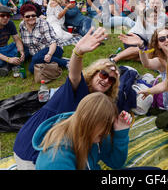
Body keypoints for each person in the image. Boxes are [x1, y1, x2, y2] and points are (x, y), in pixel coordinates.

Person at [13, 27, 120, 169]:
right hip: (32, 150)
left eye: (112, 80)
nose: (106, 80)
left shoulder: (99, 102)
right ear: (94, 73)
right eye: (103, 74)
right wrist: (78, 52)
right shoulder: (78, 88)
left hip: (53, 143)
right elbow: (74, 74)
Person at [33, 92, 132, 170]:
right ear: (89, 122)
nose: (107, 131)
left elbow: (115, 163)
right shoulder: (56, 160)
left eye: (110, 125)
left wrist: (121, 133)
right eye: (106, 125)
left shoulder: (95, 134)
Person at [18, 3, 69, 74]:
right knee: (33, 67)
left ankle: (66, 63)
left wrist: (49, 54)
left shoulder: (43, 24)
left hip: (53, 49)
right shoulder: (22, 25)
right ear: (23, 17)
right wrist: (22, 52)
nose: (31, 18)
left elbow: (53, 42)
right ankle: (54, 61)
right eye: (27, 16)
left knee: (33, 65)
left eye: (33, 15)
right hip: (36, 52)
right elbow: (24, 42)